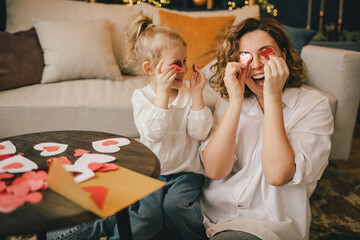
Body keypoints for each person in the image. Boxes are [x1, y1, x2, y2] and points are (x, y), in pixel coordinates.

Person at [47, 15, 213, 240]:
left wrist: (196, 95)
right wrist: (163, 95)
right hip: (152, 174)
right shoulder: (142, 97)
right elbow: (155, 132)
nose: (183, 69)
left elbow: (200, 132)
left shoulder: (187, 95)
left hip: (185, 174)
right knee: (147, 215)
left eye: (184, 60)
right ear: (150, 68)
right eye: (176, 63)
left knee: (178, 207)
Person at [199, 17, 334, 240]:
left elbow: (278, 174)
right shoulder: (231, 101)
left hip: (265, 226)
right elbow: (214, 170)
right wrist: (235, 102)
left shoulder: (313, 106)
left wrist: (272, 97)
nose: (256, 64)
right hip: (209, 215)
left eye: (266, 53)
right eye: (246, 56)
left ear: (284, 54)